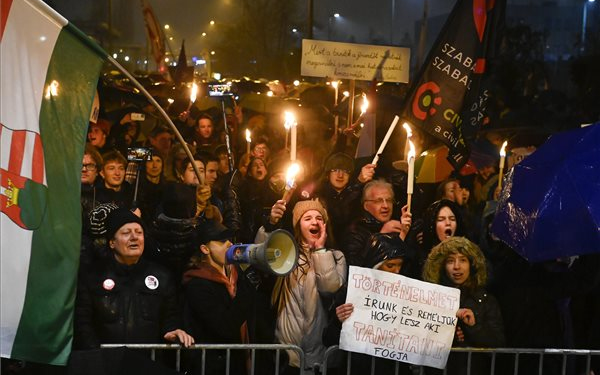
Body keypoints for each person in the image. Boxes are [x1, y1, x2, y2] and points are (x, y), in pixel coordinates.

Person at [74, 208, 194, 350]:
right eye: (126, 233)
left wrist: (173, 330)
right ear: (112, 242)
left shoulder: (162, 276)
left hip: (147, 363)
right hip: (104, 363)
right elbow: (83, 322)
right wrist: (96, 355)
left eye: (139, 232)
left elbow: (170, 317)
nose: (134, 237)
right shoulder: (93, 276)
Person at [258, 199, 346, 374]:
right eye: (307, 218)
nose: (314, 222)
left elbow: (329, 289)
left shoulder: (335, 257)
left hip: (323, 355)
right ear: (298, 225)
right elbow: (261, 257)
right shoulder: (287, 254)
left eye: (319, 218)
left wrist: (320, 250)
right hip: (289, 354)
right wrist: (270, 224)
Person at [325, 233, 414, 375]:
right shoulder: (351, 291)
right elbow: (328, 338)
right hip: (359, 368)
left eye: (400, 265)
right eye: (390, 266)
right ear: (376, 264)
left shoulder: (410, 295)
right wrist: (338, 321)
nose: (397, 272)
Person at [422, 237, 505, 375]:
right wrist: (447, 336)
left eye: (463, 260)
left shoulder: (486, 301)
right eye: (450, 261)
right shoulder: (430, 299)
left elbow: (498, 343)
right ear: (442, 266)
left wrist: (473, 327)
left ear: (472, 264)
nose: (456, 266)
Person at [182, 221, 255, 375]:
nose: (229, 244)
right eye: (221, 241)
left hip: (235, 363)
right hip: (212, 366)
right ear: (205, 249)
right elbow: (225, 326)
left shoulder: (235, 275)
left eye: (229, 239)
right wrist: (246, 286)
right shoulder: (197, 284)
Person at [341, 179, 412, 271]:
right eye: (378, 201)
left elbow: (408, 269)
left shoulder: (398, 226)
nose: (385, 206)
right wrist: (381, 237)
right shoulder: (355, 231)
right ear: (366, 206)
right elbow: (355, 269)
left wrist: (404, 234)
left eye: (389, 200)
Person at [314, 152, 375, 247]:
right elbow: (337, 216)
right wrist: (358, 183)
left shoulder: (360, 194)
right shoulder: (319, 196)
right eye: (335, 170)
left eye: (345, 171)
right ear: (327, 174)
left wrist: (359, 184)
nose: (340, 175)